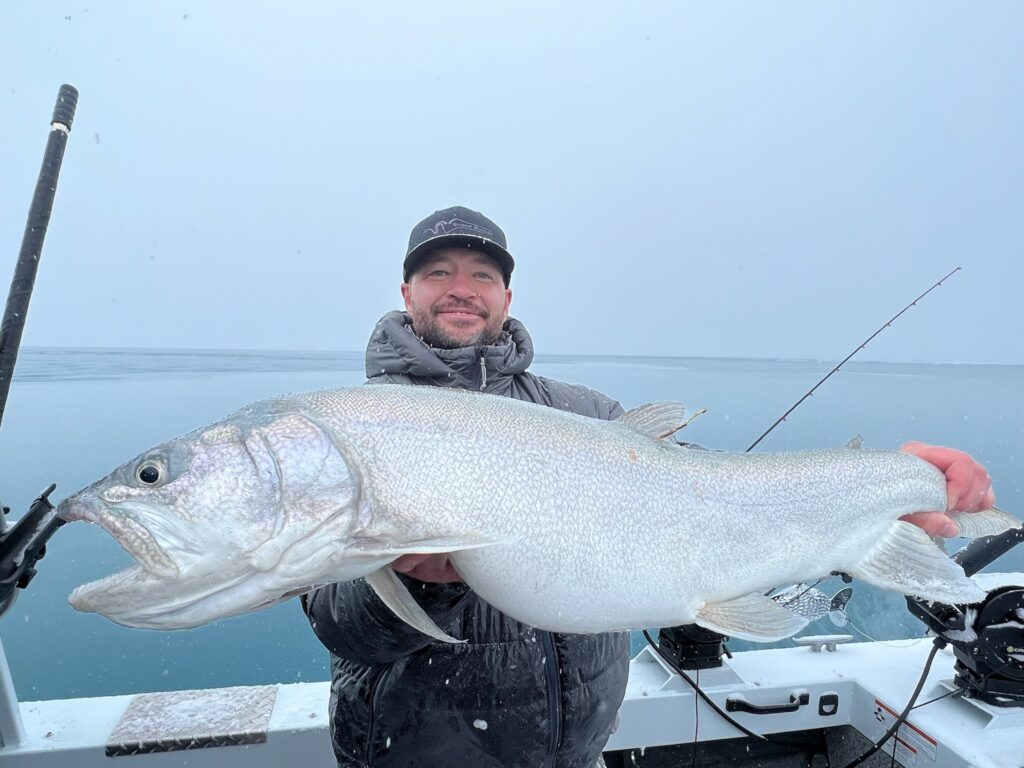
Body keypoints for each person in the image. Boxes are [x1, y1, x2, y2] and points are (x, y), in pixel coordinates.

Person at [303, 206, 995, 768]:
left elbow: (712, 488)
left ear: (506, 297)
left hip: (577, 749)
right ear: (407, 293)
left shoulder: (582, 411)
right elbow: (336, 621)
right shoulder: (361, 429)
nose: (462, 287)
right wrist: (422, 582)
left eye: (481, 273)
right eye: (438, 272)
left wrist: (891, 478)